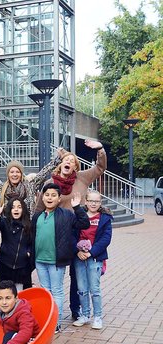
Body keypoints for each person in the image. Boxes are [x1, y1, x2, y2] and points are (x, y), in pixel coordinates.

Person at [34, 139, 107, 322]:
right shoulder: (51, 182)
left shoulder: (82, 177)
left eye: (72, 161)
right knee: (55, 272)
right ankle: (51, 313)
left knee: (77, 273)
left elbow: (100, 167)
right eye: (66, 160)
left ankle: (77, 310)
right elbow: (39, 206)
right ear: (60, 164)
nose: (69, 163)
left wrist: (100, 149)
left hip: (77, 230)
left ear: (76, 166)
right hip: (55, 231)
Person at [32, 183, 90, 332]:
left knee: (56, 291)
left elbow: (84, 223)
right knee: (45, 291)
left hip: (57, 261)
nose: (49, 198)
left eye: (53, 195)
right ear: (42, 197)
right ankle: (47, 319)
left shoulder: (66, 214)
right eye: (47, 195)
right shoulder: (37, 216)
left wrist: (77, 207)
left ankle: (56, 323)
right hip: (40, 260)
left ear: (59, 199)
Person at [0, 149, 65, 216]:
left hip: (27, 227)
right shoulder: (2, 187)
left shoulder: (30, 185)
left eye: (18, 172)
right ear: (8, 174)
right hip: (9, 229)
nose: (15, 174)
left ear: (21, 174)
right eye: (12, 172)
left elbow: (44, 172)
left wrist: (58, 159)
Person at [72, 190, 113, 330]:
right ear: (86, 201)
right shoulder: (79, 216)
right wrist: (77, 251)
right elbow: (72, 235)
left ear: (100, 203)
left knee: (94, 289)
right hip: (79, 258)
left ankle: (97, 317)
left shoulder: (105, 218)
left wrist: (91, 253)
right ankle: (85, 315)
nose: (93, 203)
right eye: (91, 201)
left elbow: (106, 239)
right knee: (82, 289)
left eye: (97, 201)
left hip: (94, 258)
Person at [0, 198, 34, 289]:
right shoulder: (5, 222)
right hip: (5, 264)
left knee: (19, 295)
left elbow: (32, 242)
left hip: (21, 267)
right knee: (4, 294)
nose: (16, 209)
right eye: (13, 207)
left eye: (19, 207)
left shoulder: (28, 225)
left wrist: (28, 252)